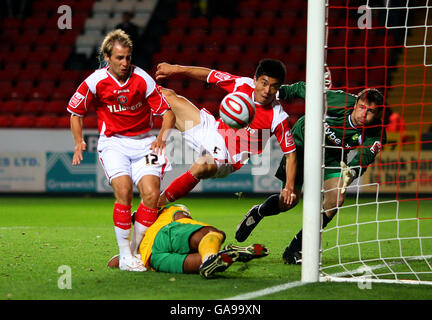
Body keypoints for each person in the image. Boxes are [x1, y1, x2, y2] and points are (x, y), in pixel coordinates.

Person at [235, 81, 386, 265]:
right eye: (362, 107)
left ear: (377, 114)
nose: (364, 113)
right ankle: (259, 212)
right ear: (355, 104)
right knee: (288, 202)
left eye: (370, 111)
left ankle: (296, 249)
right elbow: (307, 89)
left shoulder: (376, 132)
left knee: (336, 199)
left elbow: (365, 156)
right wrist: (280, 92)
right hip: (301, 145)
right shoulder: (338, 100)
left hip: (332, 155)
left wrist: (352, 171)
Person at [67, 29, 175, 271]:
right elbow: (76, 113)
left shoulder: (142, 79)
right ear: (107, 57)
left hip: (145, 142)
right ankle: (125, 256)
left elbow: (168, 114)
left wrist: (161, 138)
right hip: (114, 143)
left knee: (150, 194)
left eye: (128, 57)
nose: (125, 63)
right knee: (124, 191)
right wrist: (78, 141)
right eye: (119, 58)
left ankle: (135, 250)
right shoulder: (95, 81)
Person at [154, 59, 297, 208]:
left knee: (202, 165)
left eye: (274, 87)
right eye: (264, 83)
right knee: (166, 95)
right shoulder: (242, 84)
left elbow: (291, 155)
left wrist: (289, 186)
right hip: (212, 130)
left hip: (229, 156)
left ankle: (156, 205)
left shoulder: (278, 117)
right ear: (255, 80)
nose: (267, 91)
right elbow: (210, 75)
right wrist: (176, 68)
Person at [107, 204, 269, 278]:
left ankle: (219, 256)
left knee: (199, 263)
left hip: (154, 259)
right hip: (167, 234)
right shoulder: (170, 210)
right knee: (211, 233)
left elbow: (113, 262)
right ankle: (214, 254)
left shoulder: (137, 246)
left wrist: (128, 252)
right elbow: (184, 220)